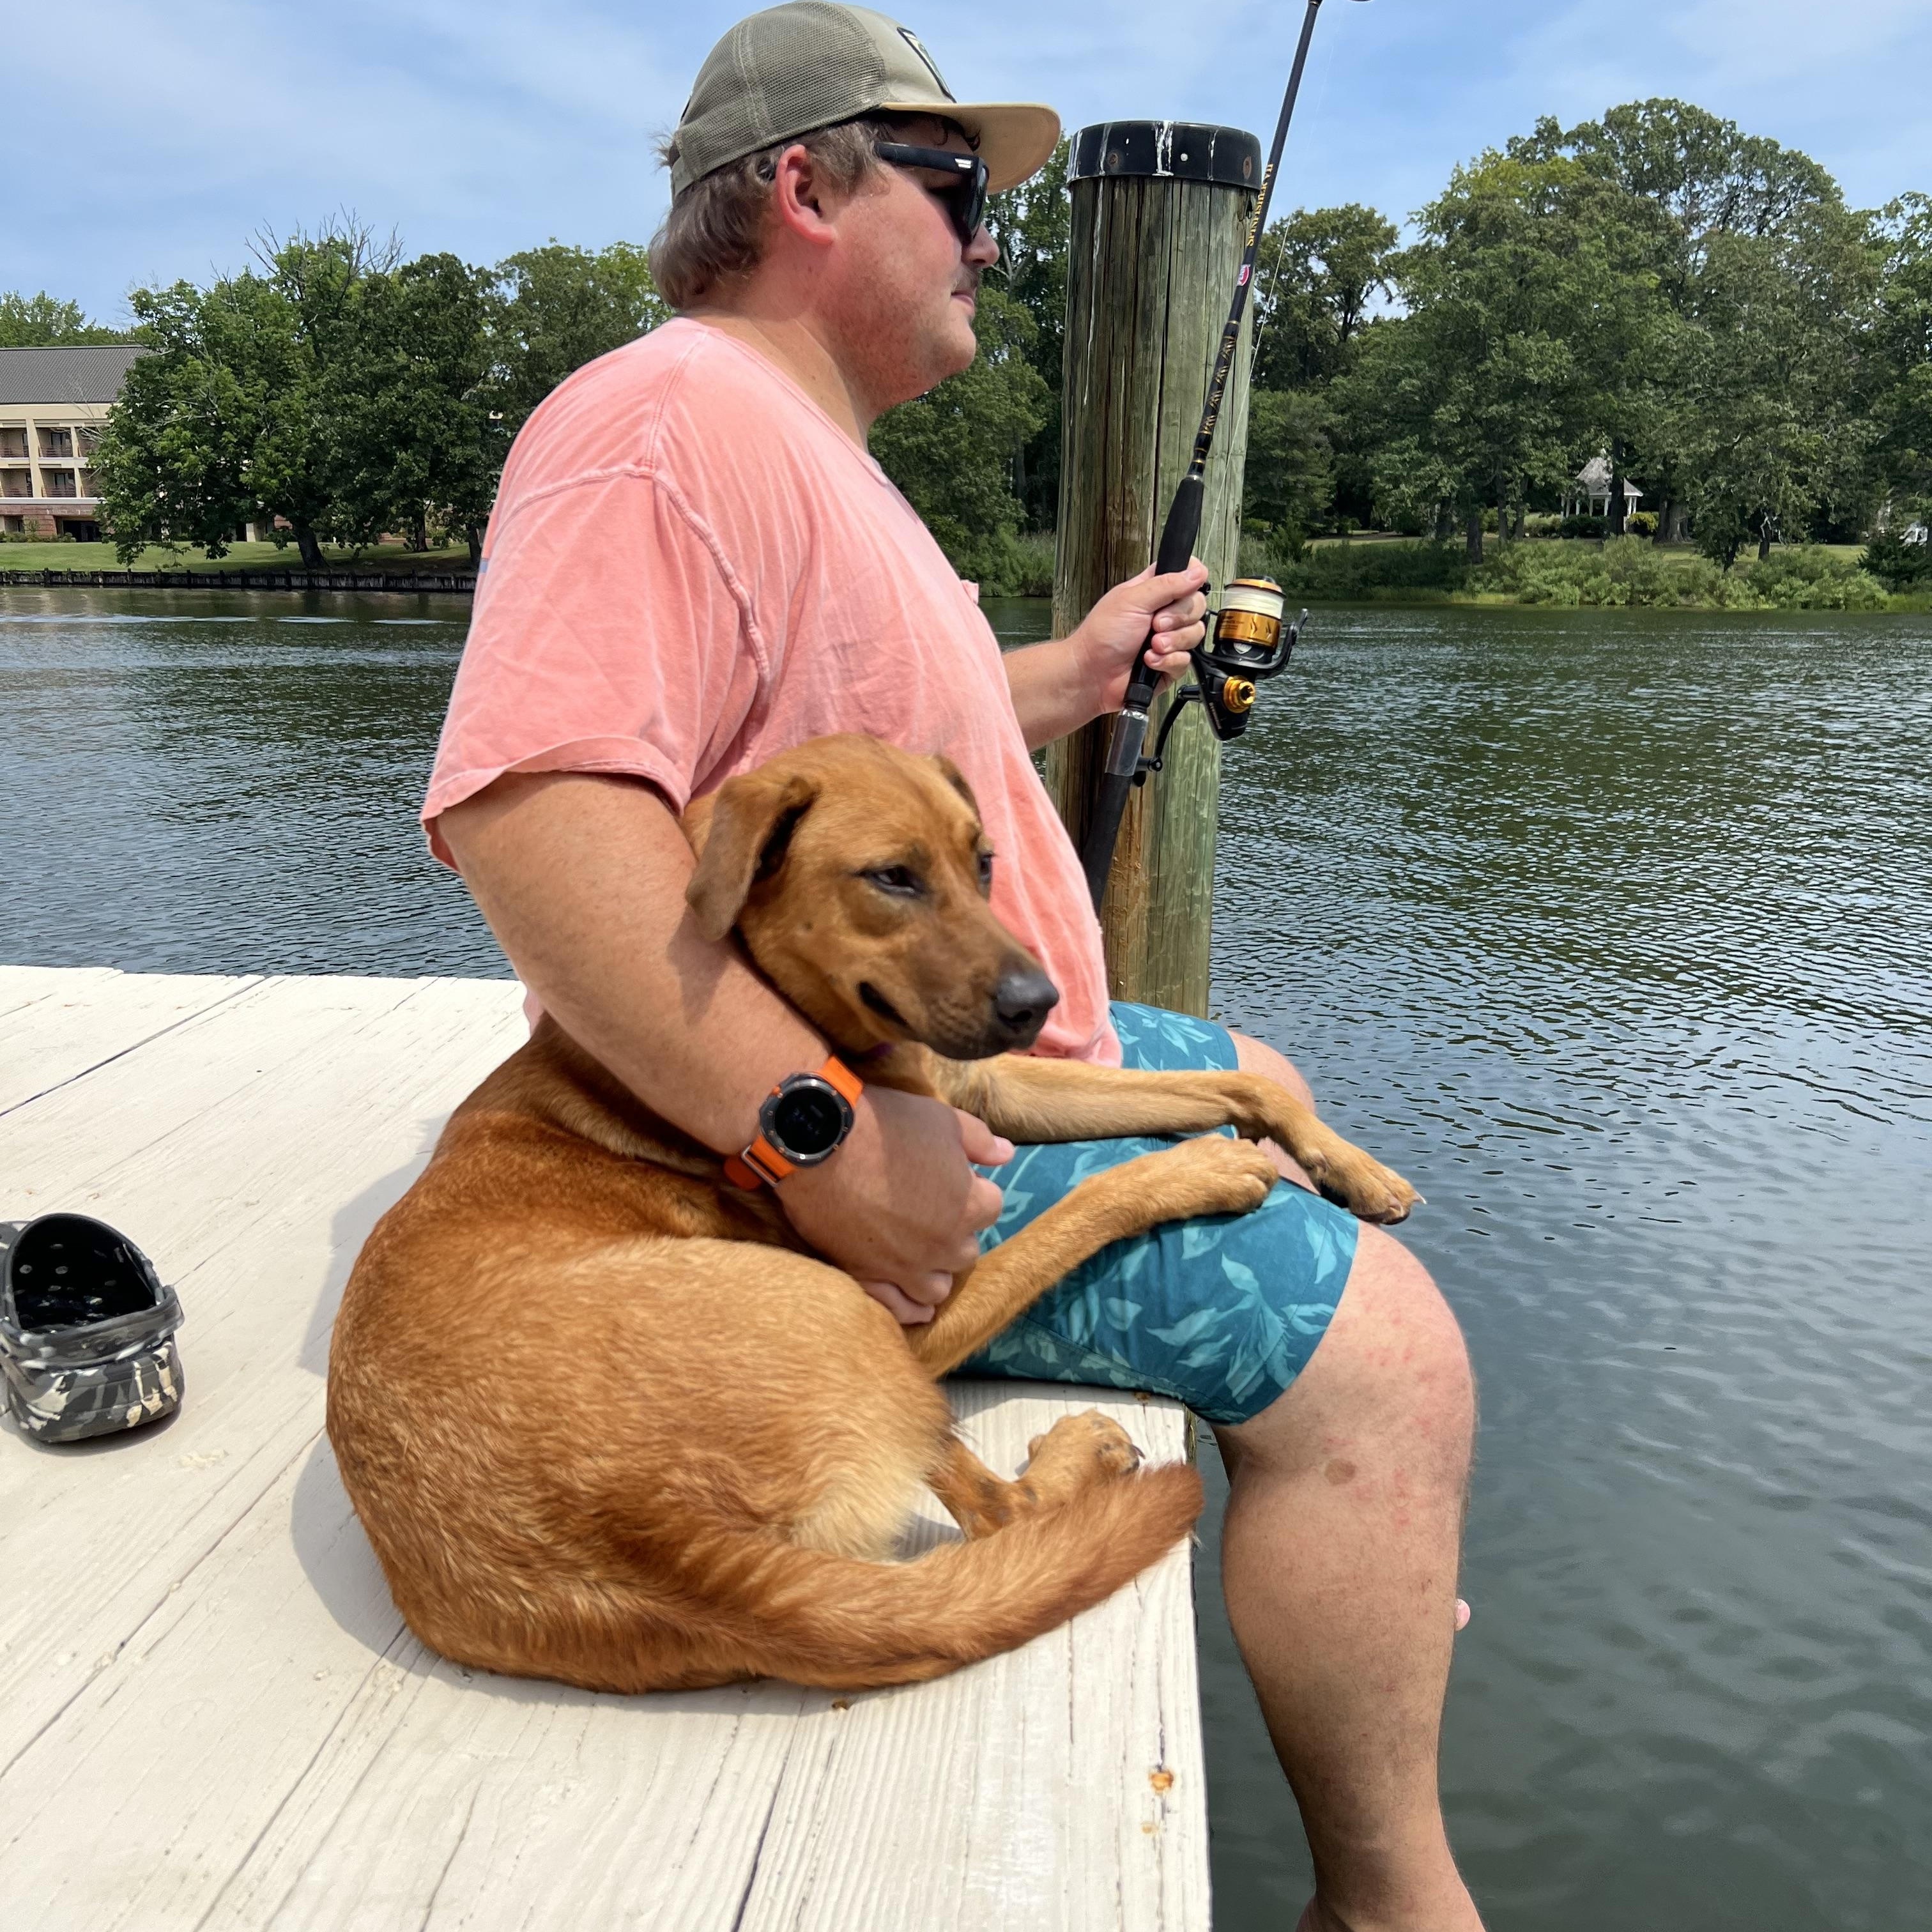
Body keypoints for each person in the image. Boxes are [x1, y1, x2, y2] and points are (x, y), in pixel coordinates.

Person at [423, 7, 1482, 1928]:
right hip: (821, 1129)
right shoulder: (654, 427)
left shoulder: (792, 450)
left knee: (1259, 1063)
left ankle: (1382, 1690)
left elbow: (860, 756)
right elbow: (535, 812)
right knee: (1387, 1354)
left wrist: (1070, 679)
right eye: (959, 189)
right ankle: (1393, 1897)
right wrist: (820, 1138)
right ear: (805, 189)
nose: (995, 238)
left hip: (941, 1063)